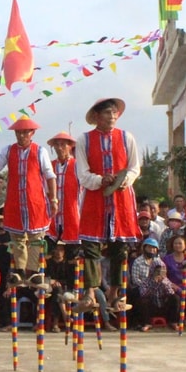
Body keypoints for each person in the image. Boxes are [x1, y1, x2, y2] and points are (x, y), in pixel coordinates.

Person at [75, 98, 142, 313]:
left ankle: (114, 294)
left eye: (114, 112)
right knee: (91, 248)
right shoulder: (84, 140)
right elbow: (83, 175)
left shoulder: (126, 137)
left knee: (119, 249)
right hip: (95, 199)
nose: (112, 116)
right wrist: (99, 180)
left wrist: (125, 180)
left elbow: (134, 167)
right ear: (96, 116)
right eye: (107, 113)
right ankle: (90, 293)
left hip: (121, 200)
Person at [0, 118, 57, 288]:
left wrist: (53, 198)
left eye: (26, 132)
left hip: (35, 201)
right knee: (17, 238)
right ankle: (19, 270)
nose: (22, 135)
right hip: (15, 202)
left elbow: (50, 176)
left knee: (35, 238)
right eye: (19, 132)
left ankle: (33, 272)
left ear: (32, 133)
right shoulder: (9, 150)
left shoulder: (40, 151)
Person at [47, 131, 82, 258]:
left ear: (70, 146)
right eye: (57, 145)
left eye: (63, 144)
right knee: (45, 251)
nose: (60, 148)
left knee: (72, 256)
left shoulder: (78, 165)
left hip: (72, 216)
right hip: (52, 217)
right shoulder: (50, 166)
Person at [163, 235, 186, 328]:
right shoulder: (166, 259)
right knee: (180, 295)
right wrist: (172, 285)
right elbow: (163, 276)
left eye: (180, 243)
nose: (177, 245)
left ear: (185, 245)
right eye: (176, 243)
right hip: (173, 286)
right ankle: (180, 320)